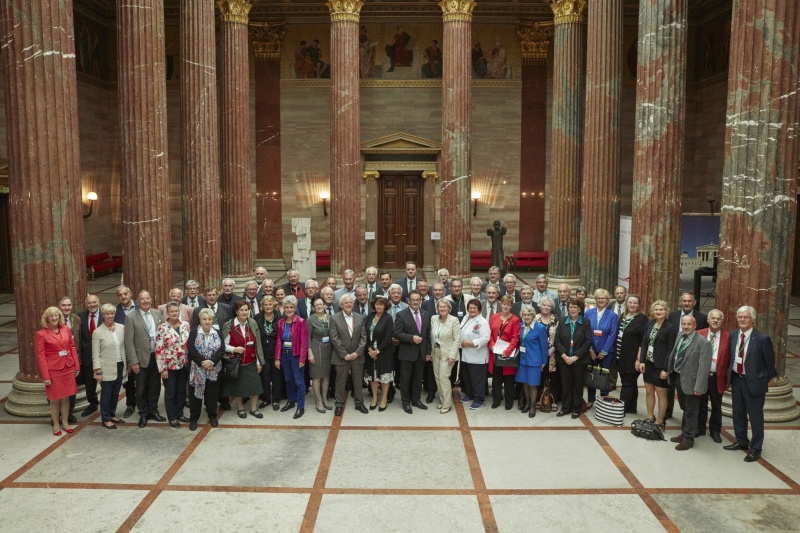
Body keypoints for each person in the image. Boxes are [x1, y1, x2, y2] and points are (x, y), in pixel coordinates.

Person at [724, 306, 776, 462]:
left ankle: (755, 448)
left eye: (745, 317)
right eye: (740, 316)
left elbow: (770, 365)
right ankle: (741, 441)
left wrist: (760, 380)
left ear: (752, 319)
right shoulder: (732, 335)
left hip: (754, 383)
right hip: (736, 379)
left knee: (755, 417)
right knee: (738, 413)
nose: (742, 319)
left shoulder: (762, 338)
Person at [667, 315, 713, 451]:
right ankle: (684, 433)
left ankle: (688, 439)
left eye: (689, 324)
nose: (686, 327)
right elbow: (675, 354)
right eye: (684, 324)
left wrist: (699, 387)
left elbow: (704, 368)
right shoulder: (680, 335)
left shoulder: (703, 343)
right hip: (679, 378)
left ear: (695, 326)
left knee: (691, 412)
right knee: (685, 409)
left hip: (693, 383)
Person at [124, 291, 165, 428]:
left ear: (151, 299)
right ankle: (143, 413)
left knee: (155, 386)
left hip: (156, 356)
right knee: (141, 388)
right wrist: (133, 361)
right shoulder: (131, 317)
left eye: (148, 298)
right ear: (138, 301)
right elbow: (129, 341)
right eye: (142, 299)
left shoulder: (157, 313)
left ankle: (153, 410)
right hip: (140, 358)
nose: (145, 301)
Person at [36, 307, 80, 435]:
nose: (54, 318)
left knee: (66, 398)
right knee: (55, 399)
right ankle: (56, 424)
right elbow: (41, 356)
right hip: (53, 370)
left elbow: (72, 347)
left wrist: (76, 366)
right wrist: (45, 376)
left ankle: (65, 423)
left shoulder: (65, 328)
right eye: (51, 316)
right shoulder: (41, 334)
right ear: (46, 318)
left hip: (68, 367)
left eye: (56, 315)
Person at [665, 291, 708, 419]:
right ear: (680, 302)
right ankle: (668, 412)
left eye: (689, 301)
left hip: (690, 359)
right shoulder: (672, 316)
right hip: (675, 355)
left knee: (688, 398)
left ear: (694, 302)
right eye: (684, 301)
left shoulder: (702, 318)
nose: (687, 303)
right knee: (670, 388)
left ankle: (689, 426)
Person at [635, 300, 677, 430]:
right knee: (648, 391)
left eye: (661, 310)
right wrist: (642, 361)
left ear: (666, 311)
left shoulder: (670, 327)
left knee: (661, 393)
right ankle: (649, 417)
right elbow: (644, 343)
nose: (658, 312)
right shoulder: (650, 323)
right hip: (649, 363)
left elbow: (671, 350)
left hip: (660, 365)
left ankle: (660, 420)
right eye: (656, 309)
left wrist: (665, 369)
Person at [221, 300, 265, 419]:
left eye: (246, 309)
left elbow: (258, 344)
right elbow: (222, 345)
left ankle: (253, 408)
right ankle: (240, 408)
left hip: (251, 361)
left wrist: (259, 362)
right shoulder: (229, 326)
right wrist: (234, 349)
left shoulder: (252, 323)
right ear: (236, 311)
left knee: (256, 386)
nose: (244, 312)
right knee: (238, 387)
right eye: (241, 310)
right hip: (236, 362)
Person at [393, 291, 432, 414]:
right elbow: (397, 333)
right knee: (405, 380)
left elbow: (427, 335)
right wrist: (411, 338)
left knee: (418, 379)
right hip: (406, 353)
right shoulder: (401, 315)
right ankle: (405, 402)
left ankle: (416, 400)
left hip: (421, 353)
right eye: (413, 300)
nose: (415, 302)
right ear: (408, 301)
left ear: (421, 301)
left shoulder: (426, 314)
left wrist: (428, 351)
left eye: (417, 299)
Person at [330, 294, 368, 416]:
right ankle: (339, 404)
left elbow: (364, 337)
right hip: (342, 356)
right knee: (340, 382)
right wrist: (344, 354)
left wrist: (358, 352)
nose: (349, 304)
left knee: (358, 381)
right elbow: (334, 338)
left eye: (351, 302)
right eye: (346, 302)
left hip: (357, 355)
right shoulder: (334, 318)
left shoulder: (359, 317)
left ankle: (359, 403)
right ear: (341, 305)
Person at [187, 308, 225, 430]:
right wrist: (203, 362)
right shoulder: (193, 332)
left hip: (213, 369)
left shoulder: (218, 332)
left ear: (212, 320)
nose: (207, 321)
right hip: (197, 370)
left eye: (209, 319)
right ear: (200, 319)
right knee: (195, 396)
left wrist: (212, 361)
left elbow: (222, 350)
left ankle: (212, 416)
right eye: (204, 319)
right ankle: (194, 419)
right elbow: (191, 350)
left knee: (212, 395)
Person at [554, 298, 592, 419]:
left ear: (580, 309)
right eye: (570, 307)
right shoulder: (562, 321)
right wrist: (564, 356)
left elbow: (588, 342)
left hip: (580, 360)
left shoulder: (585, 322)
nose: (572, 309)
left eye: (575, 307)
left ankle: (576, 408)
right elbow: (557, 340)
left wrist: (575, 357)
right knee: (566, 384)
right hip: (563, 359)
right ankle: (565, 408)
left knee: (578, 384)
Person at [155, 302, 191, 428]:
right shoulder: (162, 328)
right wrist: (162, 369)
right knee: (171, 392)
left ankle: (180, 413)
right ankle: (172, 417)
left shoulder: (186, 325)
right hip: (169, 366)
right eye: (172, 311)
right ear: (167, 313)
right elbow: (159, 351)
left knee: (181, 390)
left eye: (177, 311)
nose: (175, 313)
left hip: (183, 364)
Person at [696, 309, 730, 443]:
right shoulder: (699, 334)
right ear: (708, 320)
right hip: (702, 377)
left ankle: (715, 431)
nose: (715, 321)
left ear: (722, 321)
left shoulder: (728, 337)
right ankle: (700, 428)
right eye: (713, 318)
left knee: (716, 405)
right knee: (701, 403)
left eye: (718, 319)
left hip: (717, 377)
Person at [92, 303, 127, 429]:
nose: (110, 316)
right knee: (106, 394)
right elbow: (95, 354)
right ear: (103, 315)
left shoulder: (121, 327)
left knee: (116, 393)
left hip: (119, 364)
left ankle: (112, 414)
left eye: (112, 313)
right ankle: (105, 418)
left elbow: (124, 347)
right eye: (107, 314)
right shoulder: (97, 332)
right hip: (105, 367)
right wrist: (98, 371)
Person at [274, 296, 308, 419]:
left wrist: (302, 359)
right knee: (288, 379)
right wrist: (277, 358)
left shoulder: (301, 322)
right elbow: (279, 341)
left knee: (299, 382)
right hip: (284, 355)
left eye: (291, 307)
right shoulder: (280, 322)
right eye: (286, 307)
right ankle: (291, 401)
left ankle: (300, 406)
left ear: (295, 308)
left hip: (296, 355)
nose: (288, 309)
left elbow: (304, 342)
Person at [584, 289, 619, 407]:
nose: (600, 300)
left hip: (606, 352)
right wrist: (590, 349)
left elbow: (612, 334)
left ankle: (604, 400)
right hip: (591, 350)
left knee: (604, 376)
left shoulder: (612, 315)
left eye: (603, 298)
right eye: (598, 298)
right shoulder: (589, 313)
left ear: (608, 300)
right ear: (595, 299)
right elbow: (585, 332)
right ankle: (590, 399)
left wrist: (604, 351)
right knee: (591, 375)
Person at [615, 294, 648, 414]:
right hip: (621, 356)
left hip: (633, 358)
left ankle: (620, 410)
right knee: (630, 383)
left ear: (639, 305)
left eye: (635, 303)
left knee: (627, 384)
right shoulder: (623, 316)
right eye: (630, 302)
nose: (632, 305)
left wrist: (639, 359)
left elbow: (642, 342)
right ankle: (631, 407)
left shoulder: (642, 319)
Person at [488, 295, 521, 410]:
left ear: (511, 306)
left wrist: (508, 351)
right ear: (501, 304)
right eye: (504, 304)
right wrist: (491, 345)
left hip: (508, 354)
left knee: (509, 380)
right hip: (495, 352)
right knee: (496, 379)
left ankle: (509, 402)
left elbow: (515, 338)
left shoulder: (515, 319)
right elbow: (490, 333)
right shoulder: (494, 317)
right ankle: (496, 400)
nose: (506, 306)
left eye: (508, 304)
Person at [516, 305, 550, 417]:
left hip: (535, 361)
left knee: (533, 384)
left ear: (533, 315)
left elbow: (544, 347)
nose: (526, 317)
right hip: (522, 360)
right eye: (524, 314)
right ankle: (527, 403)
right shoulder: (520, 326)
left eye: (528, 314)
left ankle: (532, 407)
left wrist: (543, 362)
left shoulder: (540, 328)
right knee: (525, 383)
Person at [459, 299, 491, 409]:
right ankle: (469, 394)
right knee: (467, 377)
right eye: (470, 308)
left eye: (474, 308)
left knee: (477, 379)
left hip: (478, 355)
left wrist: (471, 343)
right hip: (465, 354)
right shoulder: (465, 318)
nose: (472, 310)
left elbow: (486, 338)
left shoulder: (482, 322)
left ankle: (479, 399)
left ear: (479, 309)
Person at [430, 299, 460, 414]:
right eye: (440, 307)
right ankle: (443, 400)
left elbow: (457, 339)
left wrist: (452, 355)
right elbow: (432, 337)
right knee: (437, 378)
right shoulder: (434, 319)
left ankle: (447, 404)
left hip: (448, 355)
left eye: (444, 307)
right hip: (436, 352)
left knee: (444, 378)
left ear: (449, 308)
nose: (442, 309)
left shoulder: (454, 320)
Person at [365, 294, 394, 411]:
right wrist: (369, 349)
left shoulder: (388, 318)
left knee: (384, 377)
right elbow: (364, 334)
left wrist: (377, 351)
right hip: (370, 352)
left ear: (385, 306)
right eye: (377, 304)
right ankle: (375, 397)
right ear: (374, 305)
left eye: (381, 304)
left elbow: (388, 338)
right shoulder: (370, 316)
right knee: (373, 376)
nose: (379, 306)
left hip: (384, 353)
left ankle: (384, 398)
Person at [114, 285, 138, 419]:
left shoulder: (140, 307)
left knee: (143, 379)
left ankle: (144, 404)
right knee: (128, 382)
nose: (123, 297)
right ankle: (130, 404)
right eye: (120, 295)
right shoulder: (115, 312)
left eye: (125, 294)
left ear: (130, 293)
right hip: (124, 351)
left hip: (140, 349)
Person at [307, 298, 334, 413]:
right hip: (316, 349)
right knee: (317, 376)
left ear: (324, 305)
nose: (319, 306)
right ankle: (318, 400)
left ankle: (324, 399)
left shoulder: (330, 318)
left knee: (326, 376)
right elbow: (307, 337)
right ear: (313, 307)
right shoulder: (310, 320)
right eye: (316, 305)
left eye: (320, 304)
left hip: (328, 349)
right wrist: (310, 353)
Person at [258, 296, 284, 412]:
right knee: (265, 376)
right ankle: (266, 398)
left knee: (277, 376)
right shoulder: (257, 318)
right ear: (262, 307)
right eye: (265, 305)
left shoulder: (280, 318)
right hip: (263, 351)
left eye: (270, 304)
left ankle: (276, 399)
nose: (268, 307)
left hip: (277, 351)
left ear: (274, 306)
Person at [535, 296, 561, 409]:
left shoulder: (557, 320)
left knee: (553, 377)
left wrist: (553, 349)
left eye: (548, 305)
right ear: (540, 305)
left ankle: (553, 399)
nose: (546, 307)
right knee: (539, 376)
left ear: (552, 308)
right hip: (537, 354)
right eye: (544, 305)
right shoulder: (534, 319)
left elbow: (560, 337)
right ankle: (539, 399)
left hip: (553, 354)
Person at [78, 294, 101, 417]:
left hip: (103, 357)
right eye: (89, 303)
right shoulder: (80, 316)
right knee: (89, 385)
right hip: (87, 358)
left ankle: (110, 408)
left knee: (107, 384)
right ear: (86, 305)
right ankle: (93, 404)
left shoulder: (106, 314)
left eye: (94, 302)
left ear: (98, 302)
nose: (92, 305)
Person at [58, 296, 80, 421]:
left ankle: (69, 413)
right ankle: (57, 415)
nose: (67, 308)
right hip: (58, 363)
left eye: (69, 305)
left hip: (72, 362)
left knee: (71, 390)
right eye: (64, 305)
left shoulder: (76, 319)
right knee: (57, 390)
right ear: (58, 307)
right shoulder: (54, 320)